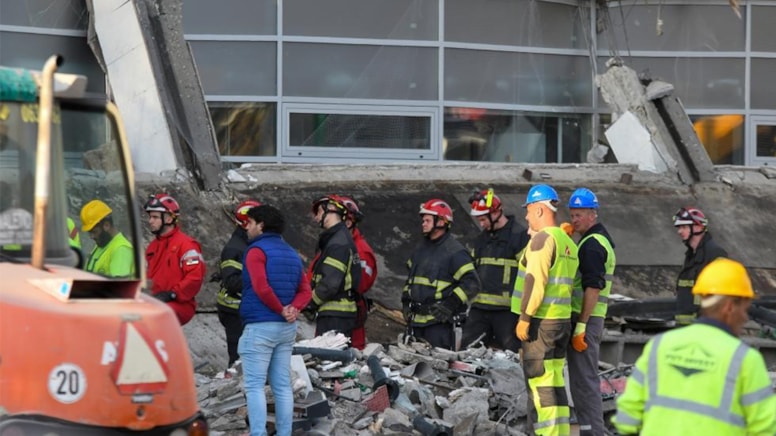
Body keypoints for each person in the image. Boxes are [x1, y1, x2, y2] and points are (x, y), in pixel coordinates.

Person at [613, 258, 776, 435]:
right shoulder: (745, 360)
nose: (745, 318)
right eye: (745, 309)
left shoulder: (660, 345)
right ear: (729, 307)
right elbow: (766, 428)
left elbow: (627, 419)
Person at [238, 205, 311, 436]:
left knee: (254, 386)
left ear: (261, 225)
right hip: (286, 329)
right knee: (281, 386)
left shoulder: (255, 251)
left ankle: (258, 433)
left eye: (249, 222)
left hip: (260, 326)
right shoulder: (292, 253)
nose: (246, 227)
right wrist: (293, 309)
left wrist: (281, 309)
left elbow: (261, 287)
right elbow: (305, 290)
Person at [512, 184, 579, 436]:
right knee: (555, 383)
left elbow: (535, 282)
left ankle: (546, 434)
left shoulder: (542, 239)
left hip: (541, 323)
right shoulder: (565, 240)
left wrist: (524, 317)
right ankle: (560, 433)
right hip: (561, 322)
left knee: (540, 386)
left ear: (539, 210)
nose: (527, 217)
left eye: (529, 211)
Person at [565, 188, 616, 436]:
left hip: (586, 318)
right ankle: (589, 430)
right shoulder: (594, 240)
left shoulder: (592, 246)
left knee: (584, 380)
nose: (574, 220)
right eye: (572, 215)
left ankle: (593, 432)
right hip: (588, 317)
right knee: (582, 378)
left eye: (579, 215)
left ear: (592, 214)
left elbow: (593, 287)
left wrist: (582, 325)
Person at [403, 199, 481, 350]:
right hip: (416, 322)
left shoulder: (455, 252)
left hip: (439, 325)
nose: (423, 224)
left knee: (437, 369)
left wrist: (450, 305)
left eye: (427, 220)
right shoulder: (420, 249)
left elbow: (472, 283)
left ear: (441, 222)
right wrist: (406, 301)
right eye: (423, 220)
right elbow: (411, 280)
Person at [462, 188, 529, 352]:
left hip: (507, 313)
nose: (481, 224)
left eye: (483, 219)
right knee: (466, 354)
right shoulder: (481, 239)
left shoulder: (519, 236)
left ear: (496, 213)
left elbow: (530, 274)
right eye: (479, 220)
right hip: (479, 311)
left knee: (512, 356)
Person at [304, 195, 361, 339]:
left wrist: (310, 303)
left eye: (319, 212)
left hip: (335, 314)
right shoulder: (337, 239)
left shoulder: (338, 243)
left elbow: (330, 283)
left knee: (329, 358)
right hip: (336, 314)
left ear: (332, 209)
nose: (316, 218)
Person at [144, 193, 206, 325]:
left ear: (168, 219)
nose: (150, 221)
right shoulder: (153, 247)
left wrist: (172, 294)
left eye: (155, 217)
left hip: (178, 302)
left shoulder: (186, 245)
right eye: (150, 217)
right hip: (155, 301)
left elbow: (194, 278)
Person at [215, 199, 261, 368]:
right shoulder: (235, 248)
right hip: (234, 311)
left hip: (245, 310)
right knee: (238, 360)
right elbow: (232, 281)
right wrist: (261, 278)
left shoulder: (249, 245)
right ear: (247, 223)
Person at [673, 207, 727, 325]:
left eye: (684, 227)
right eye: (678, 227)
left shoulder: (715, 254)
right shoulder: (691, 255)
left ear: (699, 227)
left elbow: (720, 296)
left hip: (703, 327)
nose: (679, 231)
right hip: (686, 327)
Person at [339, 195, 377, 350]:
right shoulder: (333, 246)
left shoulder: (360, 250)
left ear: (348, 222)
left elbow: (360, 284)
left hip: (348, 318)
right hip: (332, 316)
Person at [80, 199, 135, 277]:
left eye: (94, 232)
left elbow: (118, 287)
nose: (92, 237)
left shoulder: (121, 249)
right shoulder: (102, 244)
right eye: (90, 233)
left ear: (106, 225)